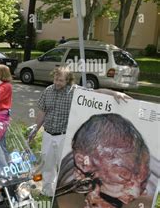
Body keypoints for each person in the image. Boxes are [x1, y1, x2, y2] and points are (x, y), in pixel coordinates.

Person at [28, 66, 131, 197]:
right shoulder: (48, 91)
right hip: (48, 134)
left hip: (63, 136)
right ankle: (47, 192)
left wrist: (115, 94)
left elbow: (96, 92)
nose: (57, 82)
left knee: (64, 167)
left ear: (68, 80)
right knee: (48, 164)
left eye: (61, 80)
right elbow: (42, 111)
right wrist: (36, 129)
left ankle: (62, 195)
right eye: (56, 79)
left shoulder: (75, 91)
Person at [56, 113, 151, 208]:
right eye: (123, 174)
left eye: (143, 181)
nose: (135, 193)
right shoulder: (68, 183)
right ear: (83, 164)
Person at [0, 64, 12, 157]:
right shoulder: (0, 84)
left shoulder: (6, 86)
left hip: (2, 116)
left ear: (1, 73)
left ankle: (6, 163)